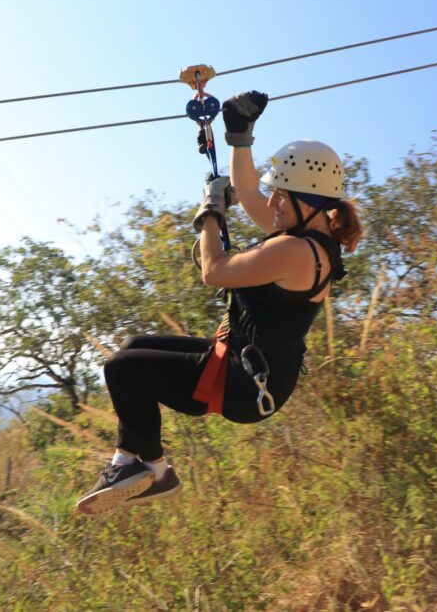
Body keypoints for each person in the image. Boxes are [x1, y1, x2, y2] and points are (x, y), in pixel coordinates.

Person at [76, 91, 363, 515]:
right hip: (247, 367)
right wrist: (239, 137)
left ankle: (147, 468)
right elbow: (247, 191)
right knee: (134, 346)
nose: (270, 204)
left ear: (308, 201)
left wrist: (210, 212)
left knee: (121, 369)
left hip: (245, 386)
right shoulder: (310, 239)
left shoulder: (296, 252)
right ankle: (140, 466)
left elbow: (214, 270)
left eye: (279, 196)